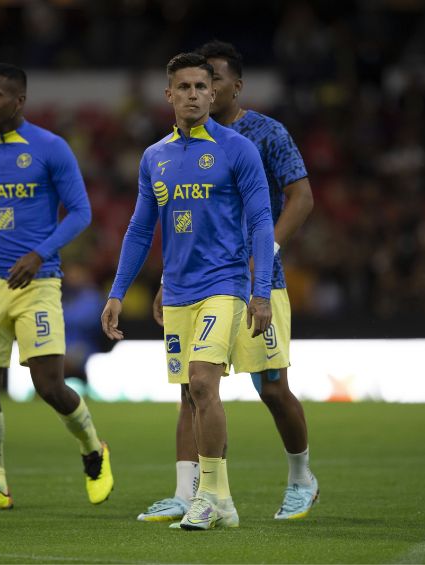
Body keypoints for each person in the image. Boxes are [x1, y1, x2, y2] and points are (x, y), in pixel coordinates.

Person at [137, 40, 318, 523]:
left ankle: (301, 477)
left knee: (272, 386)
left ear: (235, 86)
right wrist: (167, 280)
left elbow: (300, 198)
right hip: (198, 281)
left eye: (213, 80)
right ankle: (189, 491)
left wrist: (267, 256)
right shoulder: (174, 147)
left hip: (261, 280)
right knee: (193, 387)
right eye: (196, 82)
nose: (205, 89)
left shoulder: (264, 134)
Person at [101, 52, 275, 531]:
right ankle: (210, 501)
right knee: (189, 394)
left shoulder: (237, 149)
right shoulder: (153, 156)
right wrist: (118, 292)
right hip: (177, 292)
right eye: (185, 87)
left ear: (213, 93)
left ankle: (213, 496)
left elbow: (261, 221)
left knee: (202, 382)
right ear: (169, 95)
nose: (195, 94)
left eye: (202, 86)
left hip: (225, 285)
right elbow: (140, 229)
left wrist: (261, 292)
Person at [0, 63, 113, 512]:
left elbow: (80, 212)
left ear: (19, 100)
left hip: (38, 282)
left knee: (49, 386)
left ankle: (94, 449)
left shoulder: (51, 149)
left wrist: (39, 254)